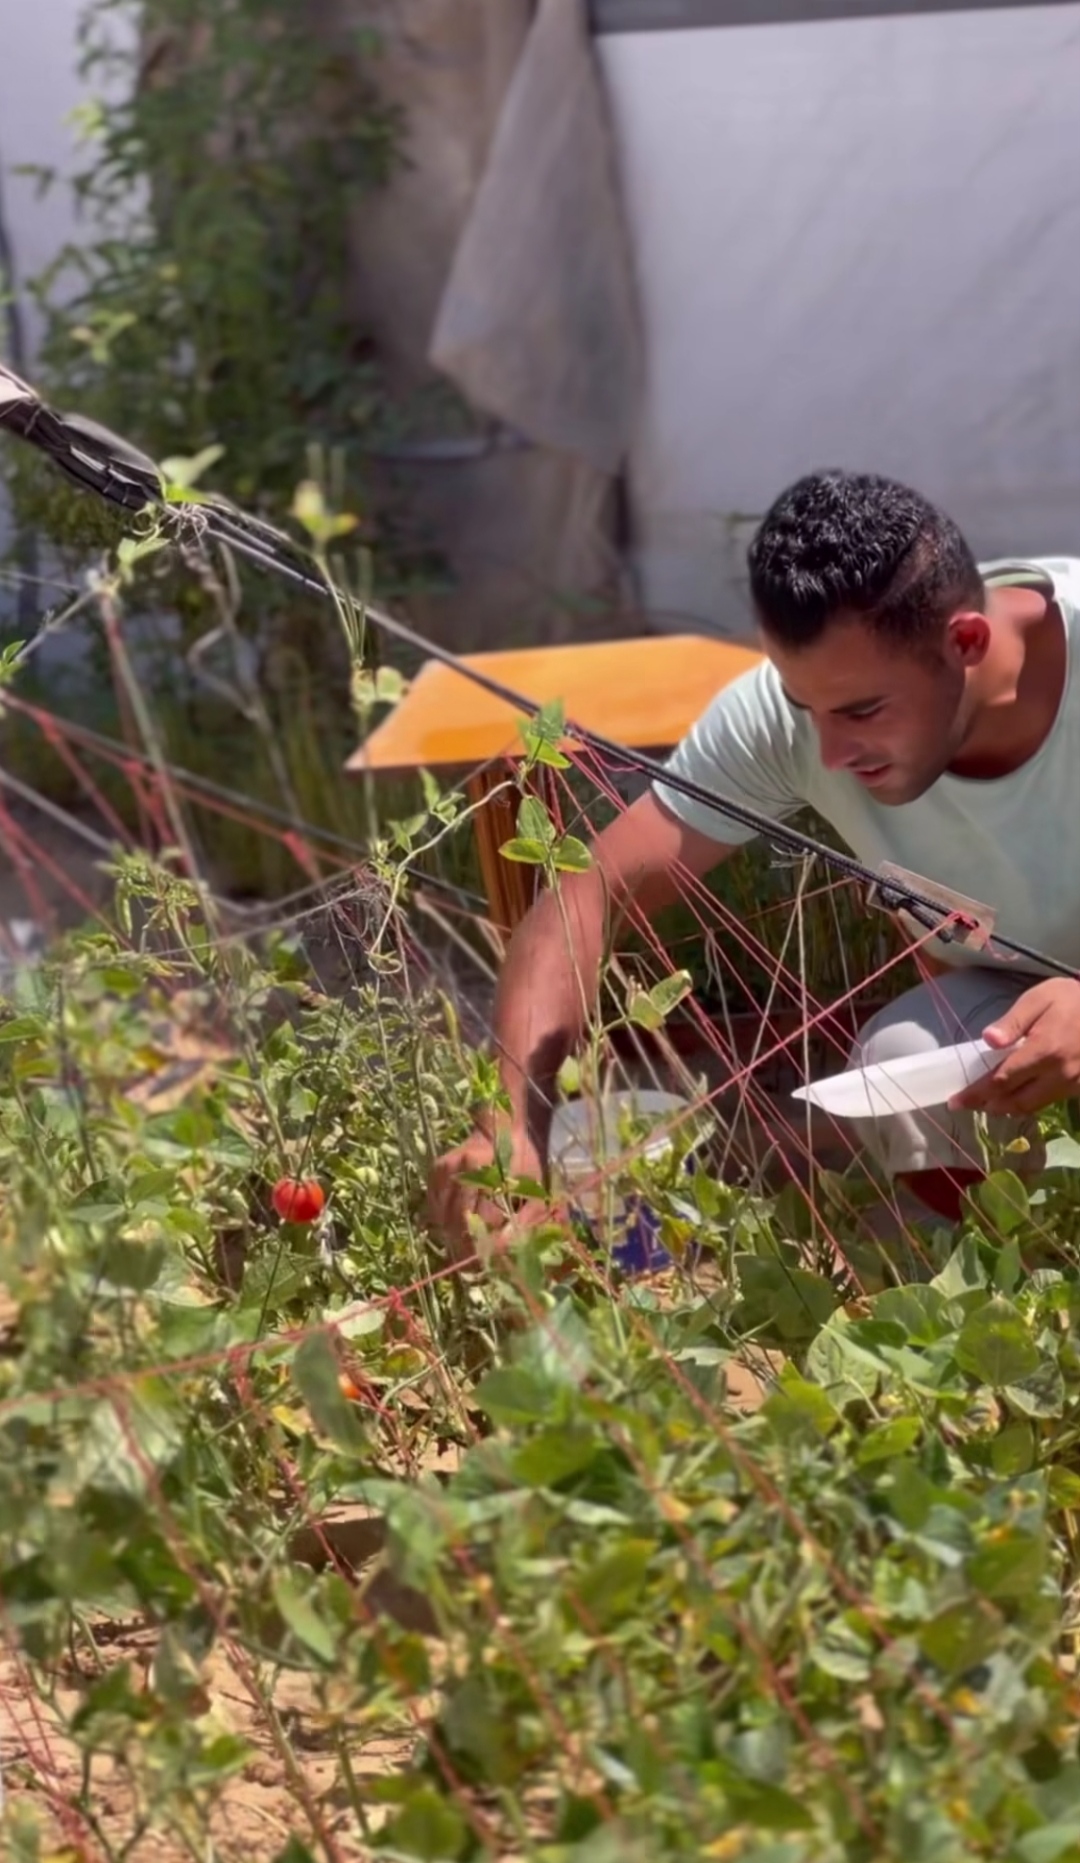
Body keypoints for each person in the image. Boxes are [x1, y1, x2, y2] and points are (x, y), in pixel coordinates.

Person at [427, 469, 1080, 1257]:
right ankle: (1025, 1271)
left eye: (863, 710)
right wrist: (509, 1126)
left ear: (966, 642)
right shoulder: (781, 719)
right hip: (1020, 993)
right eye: (809, 710)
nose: (832, 755)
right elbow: (583, 898)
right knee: (902, 1062)